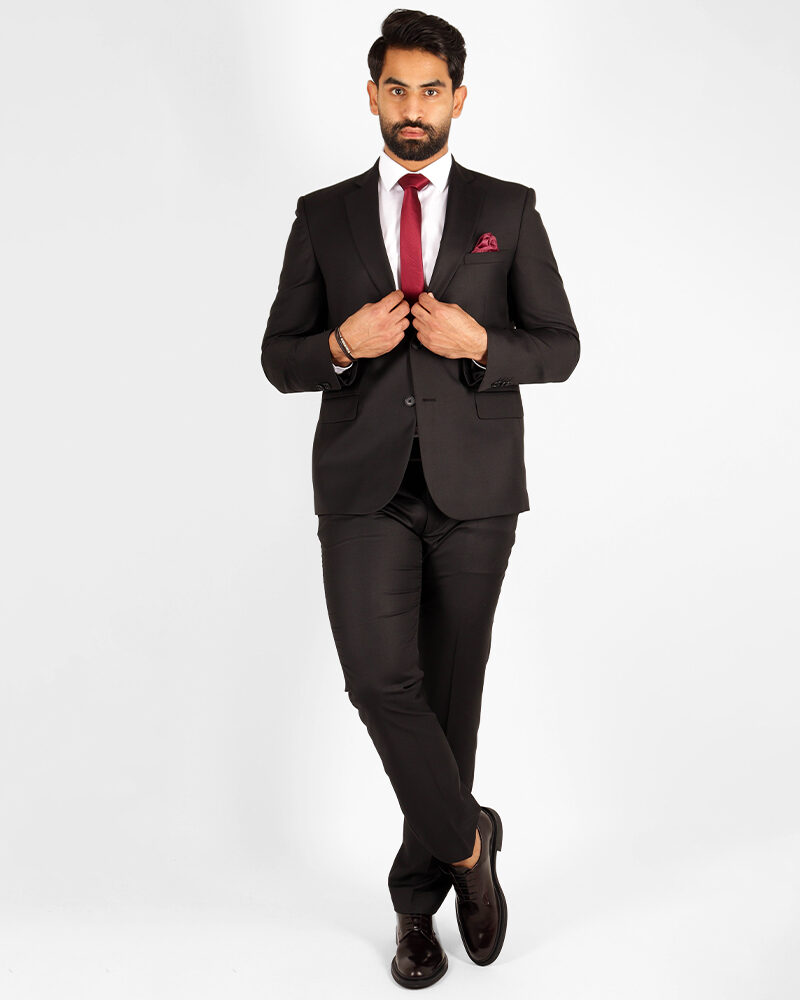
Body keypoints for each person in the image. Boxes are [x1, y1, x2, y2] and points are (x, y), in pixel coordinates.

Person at [260, 9, 580, 988]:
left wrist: (479, 344)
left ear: (457, 99)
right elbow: (279, 356)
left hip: (475, 490)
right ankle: (471, 844)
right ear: (371, 95)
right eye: (395, 88)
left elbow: (559, 346)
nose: (412, 108)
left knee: (448, 701)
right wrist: (340, 345)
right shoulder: (323, 217)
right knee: (376, 684)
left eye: (429, 90)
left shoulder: (507, 209)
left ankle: (414, 907)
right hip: (364, 488)